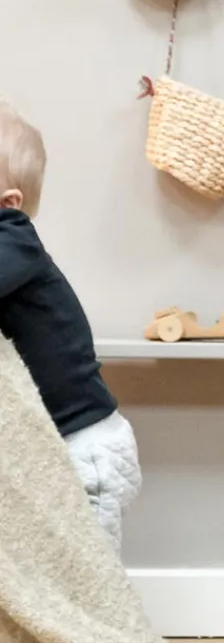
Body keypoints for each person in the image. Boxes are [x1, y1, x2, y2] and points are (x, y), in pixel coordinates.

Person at [0, 101, 140, 549]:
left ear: (9, 204)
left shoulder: (15, 239)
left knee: (89, 568)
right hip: (55, 446)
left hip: (86, 450)